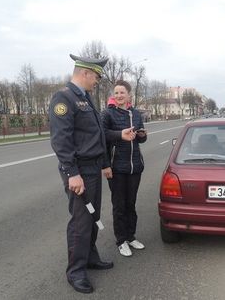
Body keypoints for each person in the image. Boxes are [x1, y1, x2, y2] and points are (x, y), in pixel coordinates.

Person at [49, 54, 136, 294]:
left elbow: (95, 135)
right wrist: (71, 173)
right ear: (85, 72)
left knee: (93, 216)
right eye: (96, 76)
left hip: (92, 168)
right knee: (80, 221)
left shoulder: (85, 99)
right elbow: (61, 141)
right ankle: (75, 272)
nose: (97, 81)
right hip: (79, 171)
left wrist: (119, 136)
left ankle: (90, 257)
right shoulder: (64, 98)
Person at [101, 80, 147, 257]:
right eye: (116, 93)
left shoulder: (136, 114)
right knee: (119, 205)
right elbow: (103, 136)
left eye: (122, 93)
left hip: (135, 166)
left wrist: (142, 135)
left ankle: (131, 236)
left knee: (131, 204)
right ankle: (121, 241)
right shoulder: (108, 114)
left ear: (129, 95)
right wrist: (105, 165)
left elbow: (140, 138)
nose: (119, 96)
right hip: (117, 167)